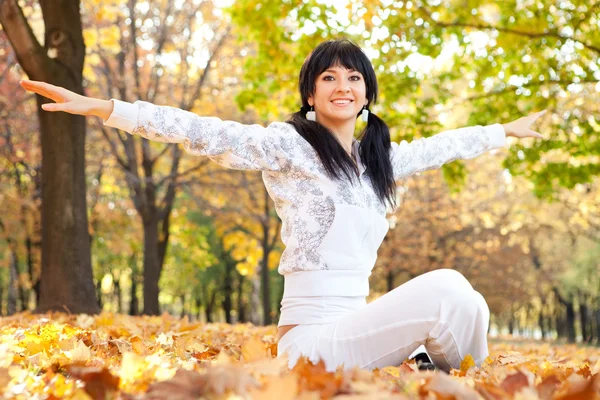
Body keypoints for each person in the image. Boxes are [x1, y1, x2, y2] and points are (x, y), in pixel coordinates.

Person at [20, 39, 545, 373]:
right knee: (448, 287)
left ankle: (444, 377)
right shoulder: (289, 147)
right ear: (311, 95)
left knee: (471, 303)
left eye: (354, 78)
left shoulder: (378, 162)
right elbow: (203, 131)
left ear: (367, 95)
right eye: (330, 78)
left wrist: (503, 131)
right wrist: (108, 109)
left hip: (358, 330)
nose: (343, 86)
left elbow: (443, 146)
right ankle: (449, 376)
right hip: (310, 344)